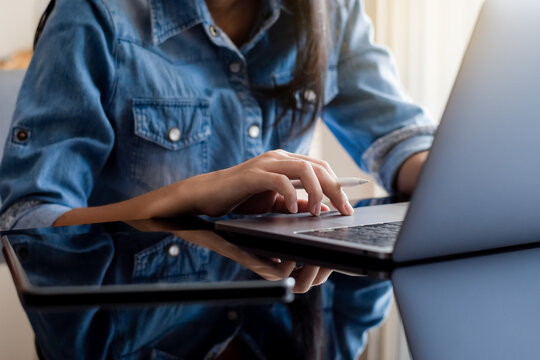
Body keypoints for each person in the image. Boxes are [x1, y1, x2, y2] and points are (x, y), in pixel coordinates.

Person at [0, 0, 435, 358]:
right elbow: (25, 220)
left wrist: (448, 171)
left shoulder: (330, 11)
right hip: (122, 323)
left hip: (294, 298)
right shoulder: (95, 15)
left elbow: (402, 141)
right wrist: (189, 197)